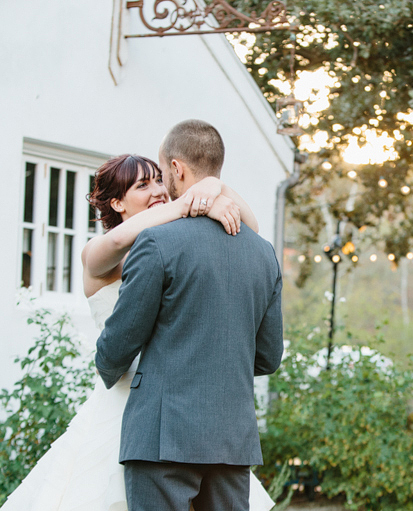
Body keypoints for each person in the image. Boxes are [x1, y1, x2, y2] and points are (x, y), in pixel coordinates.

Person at [0, 151, 276, 510]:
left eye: (159, 180)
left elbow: (250, 227)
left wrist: (211, 184)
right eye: (142, 185)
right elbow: (117, 243)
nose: (158, 191)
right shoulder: (99, 253)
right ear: (117, 202)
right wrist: (189, 205)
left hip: (184, 409)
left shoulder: (172, 244)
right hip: (127, 400)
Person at [95, 119, 283, 511]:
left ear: (177, 169)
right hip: (232, 440)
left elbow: (120, 343)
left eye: (163, 174)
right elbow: (268, 357)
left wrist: (108, 366)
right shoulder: (264, 253)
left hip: (164, 437)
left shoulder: (156, 242)